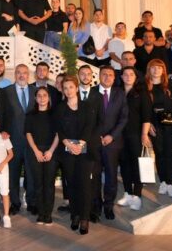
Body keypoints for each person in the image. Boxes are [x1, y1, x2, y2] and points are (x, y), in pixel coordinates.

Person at [54, 75, 103, 234]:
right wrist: (68, 144)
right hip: (67, 151)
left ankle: (84, 218)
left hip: (85, 151)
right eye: (65, 88)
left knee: (84, 185)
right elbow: (59, 129)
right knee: (71, 184)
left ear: (76, 88)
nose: (68, 90)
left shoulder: (87, 106)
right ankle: (74, 214)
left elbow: (89, 127)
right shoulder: (60, 107)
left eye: (71, 87)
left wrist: (80, 144)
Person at [145, 59, 172, 197]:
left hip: (171, 122)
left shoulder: (171, 84)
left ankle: (171, 183)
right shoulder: (145, 86)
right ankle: (163, 181)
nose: (156, 70)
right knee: (159, 152)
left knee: (170, 153)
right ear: (149, 69)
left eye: (159, 68)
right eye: (153, 67)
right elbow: (142, 108)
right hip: (153, 123)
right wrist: (147, 123)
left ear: (163, 70)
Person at [93, 65, 128, 220]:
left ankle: (108, 206)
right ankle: (96, 206)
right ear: (99, 76)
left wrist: (111, 136)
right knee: (94, 175)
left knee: (111, 176)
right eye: (104, 74)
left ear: (114, 78)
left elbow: (123, 118)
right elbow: (87, 118)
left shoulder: (120, 94)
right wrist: (96, 136)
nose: (107, 77)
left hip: (113, 143)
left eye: (110, 75)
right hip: (95, 142)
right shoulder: (91, 92)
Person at [116, 66, 151, 211]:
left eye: (131, 74)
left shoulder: (142, 93)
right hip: (119, 135)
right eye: (125, 74)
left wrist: (144, 134)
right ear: (122, 77)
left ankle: (137, 196)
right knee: (124, 165)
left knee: (136, 165)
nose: (128, 77)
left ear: (136, 77)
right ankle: (128, 193)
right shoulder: (117, 93)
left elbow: (146, 116)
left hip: (135, 134)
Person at [4, 64, 36, 215]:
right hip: (13, 142)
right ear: (15, 75)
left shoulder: (36, 91)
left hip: (32, 142)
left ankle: (31, 202)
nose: (22, 76)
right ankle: (15, 203)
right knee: (13, 174)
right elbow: (2, 116)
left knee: (31, 173)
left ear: (28, 75)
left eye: (24, 73)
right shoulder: (6, 92)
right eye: (18, 73)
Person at [25, 86, 59, 225]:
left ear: (49, 98)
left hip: (52, 151)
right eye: (39, 95)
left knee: (49, 184)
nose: (42, 98)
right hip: (36, 152)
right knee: (38, 183)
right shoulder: (30, 115)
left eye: (45, 95)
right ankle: (41, 213)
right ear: (35, 98)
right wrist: (36, 151)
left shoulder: (55, 114)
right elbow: (28, 133)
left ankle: (48, 214)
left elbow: (58, 134)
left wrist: (50, 151)